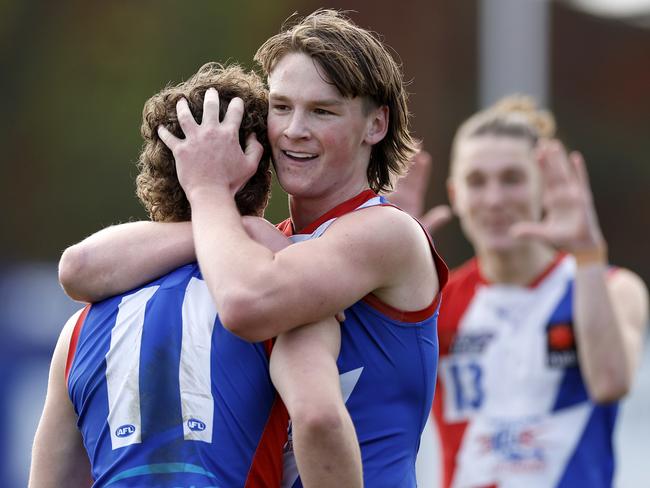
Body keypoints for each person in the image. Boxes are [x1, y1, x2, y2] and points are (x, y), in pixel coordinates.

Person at [57, 10, 448, 486]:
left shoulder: (384, 230)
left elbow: (246, 302)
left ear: (376, 124)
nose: (293, 130)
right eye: (281, 107)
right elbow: (80, 268)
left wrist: (208, 195)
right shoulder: (264, 245)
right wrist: (231, 218)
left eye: (322, 111)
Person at [30, 62, 362, 487]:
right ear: (262, 177)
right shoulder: (279, 298)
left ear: (155, 179)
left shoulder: (77, 333)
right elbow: (320, 420)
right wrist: (243, 226)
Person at [405, 96, 648, 487]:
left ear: (545, 188)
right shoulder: (434, 300)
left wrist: (587, 252)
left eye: (512, 179)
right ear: (455, 194)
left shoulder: (611, 286)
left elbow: (610, 382)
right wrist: (385, 264)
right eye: (476, 181)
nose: (495, 200)